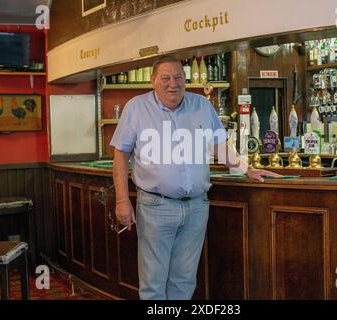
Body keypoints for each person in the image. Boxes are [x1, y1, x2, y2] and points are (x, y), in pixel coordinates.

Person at [110, 55, 281, 300]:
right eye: (166, 78)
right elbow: (121, 155)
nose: (173, 83)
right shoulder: (136, 108)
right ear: (153, 81)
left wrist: (247, 168)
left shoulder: (201, 105)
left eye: (178, 77)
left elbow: (219, 146)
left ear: (185, 79)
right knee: (153, 283)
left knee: (184, 280)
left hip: (196, 207)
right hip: (155, 206)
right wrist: (122, 200)